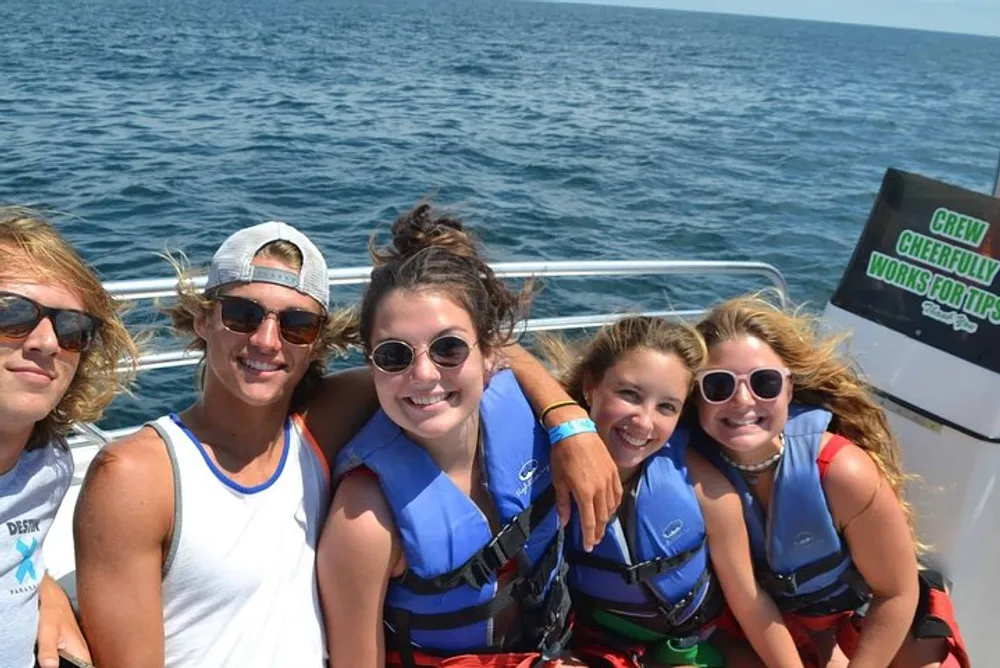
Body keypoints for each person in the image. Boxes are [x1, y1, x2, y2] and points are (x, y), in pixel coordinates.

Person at [74, 216, 620, 668]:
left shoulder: (322, 423)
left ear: (319, 343)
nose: (266, 340)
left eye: (296, 325)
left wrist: (569, 422)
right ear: (202, 321)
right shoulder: (137, 475)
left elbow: (482, 353)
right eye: (242, 315)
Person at [318, 204, 581, 668]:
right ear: (371, 363)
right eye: (395, 354)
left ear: (492, 353)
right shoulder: (365, 521)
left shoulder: (539, 425)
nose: (423, 374)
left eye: (449, 348)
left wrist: (575, 428)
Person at [692, 294, 969, 668]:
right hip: (769, 628)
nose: (743, 400)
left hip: (862, 615)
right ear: (696, 397)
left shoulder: (840, 472)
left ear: (789, 389)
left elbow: (897, 592)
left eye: (765, 383)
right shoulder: (690, 469)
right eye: (719, 386)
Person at [538, 315, 804, 668]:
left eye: (666, 407)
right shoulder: (543, 471)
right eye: (629, 395)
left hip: (688, 646)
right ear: (591, 387)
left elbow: (750, 602)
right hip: (593, 646)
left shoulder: (702, 486)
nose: (644, 422)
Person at [0, 207, 138, 668]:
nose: (46, 342)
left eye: (72, 328)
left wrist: (42, 585)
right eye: (11, 313)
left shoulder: (49, 466)